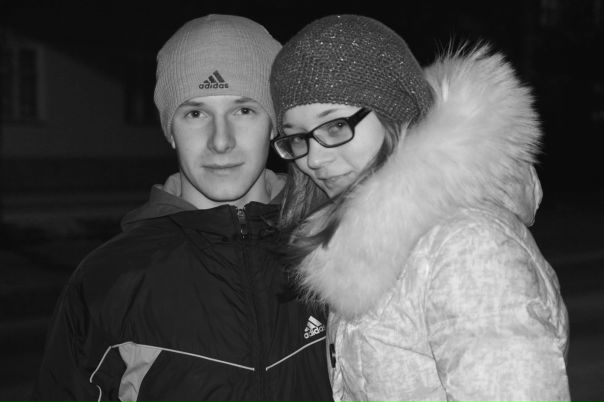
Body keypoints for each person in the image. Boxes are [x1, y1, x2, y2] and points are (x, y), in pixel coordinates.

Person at [269, 14, 571, 402]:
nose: (313, 159)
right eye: (297, 138)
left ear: (394, 112)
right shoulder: (362, 242)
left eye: (336, 126)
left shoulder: (467, 248)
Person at [32, 14, 333, 401]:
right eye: (195, 113)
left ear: (274, 124)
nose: (221, 141)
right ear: (170, 130)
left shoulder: (332, 248)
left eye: (244, 110)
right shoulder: (109, 279)